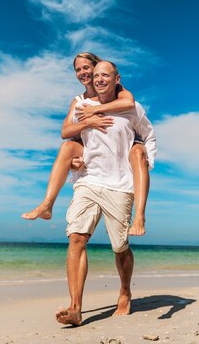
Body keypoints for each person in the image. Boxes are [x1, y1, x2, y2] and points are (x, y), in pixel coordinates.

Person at [55, 60, 156, 326]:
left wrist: (147, 160)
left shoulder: (131, 108)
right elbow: (72, 138)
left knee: (120, 246)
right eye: (96, 75)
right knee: (76, 237)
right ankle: (75, 308)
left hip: (120, 184)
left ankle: (125, 291)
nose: (99, 79)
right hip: (88, 181)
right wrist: (76, 161)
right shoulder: (82, 107)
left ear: (116, 78)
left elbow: (149, 136)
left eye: (105, 75)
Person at [21, 53, 151, 236]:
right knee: (67, 147)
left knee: (120, 245)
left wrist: (96, 110)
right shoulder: (79, 101)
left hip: (120, 158)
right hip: (89, 158)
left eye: (87, 68)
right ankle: (47, 204)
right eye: (78, 69)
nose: (83, 73)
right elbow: (65, 132)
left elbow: (129, 102)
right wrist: (88, 122)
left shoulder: (120, 92)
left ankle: (140, 216)